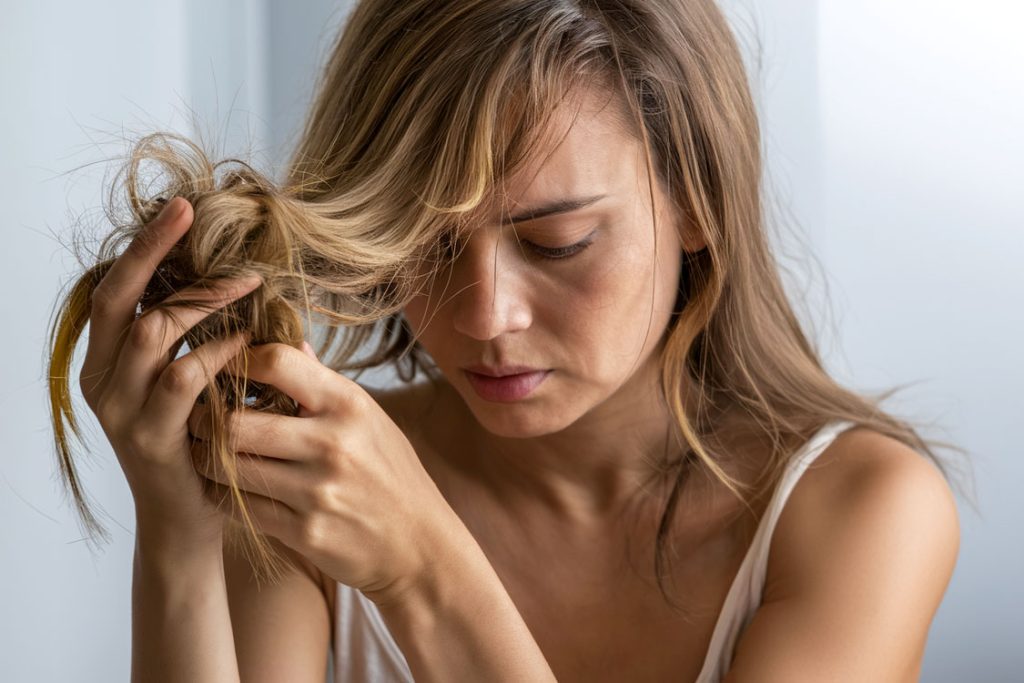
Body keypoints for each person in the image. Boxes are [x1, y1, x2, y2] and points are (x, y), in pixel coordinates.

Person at [47, 0, 964, 681]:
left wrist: (426, 571)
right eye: (430, 244)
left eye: (558, 243)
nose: (486, 316)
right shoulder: (324, 485)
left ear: (696, 202)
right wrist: (179, 530)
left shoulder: (859, 512)